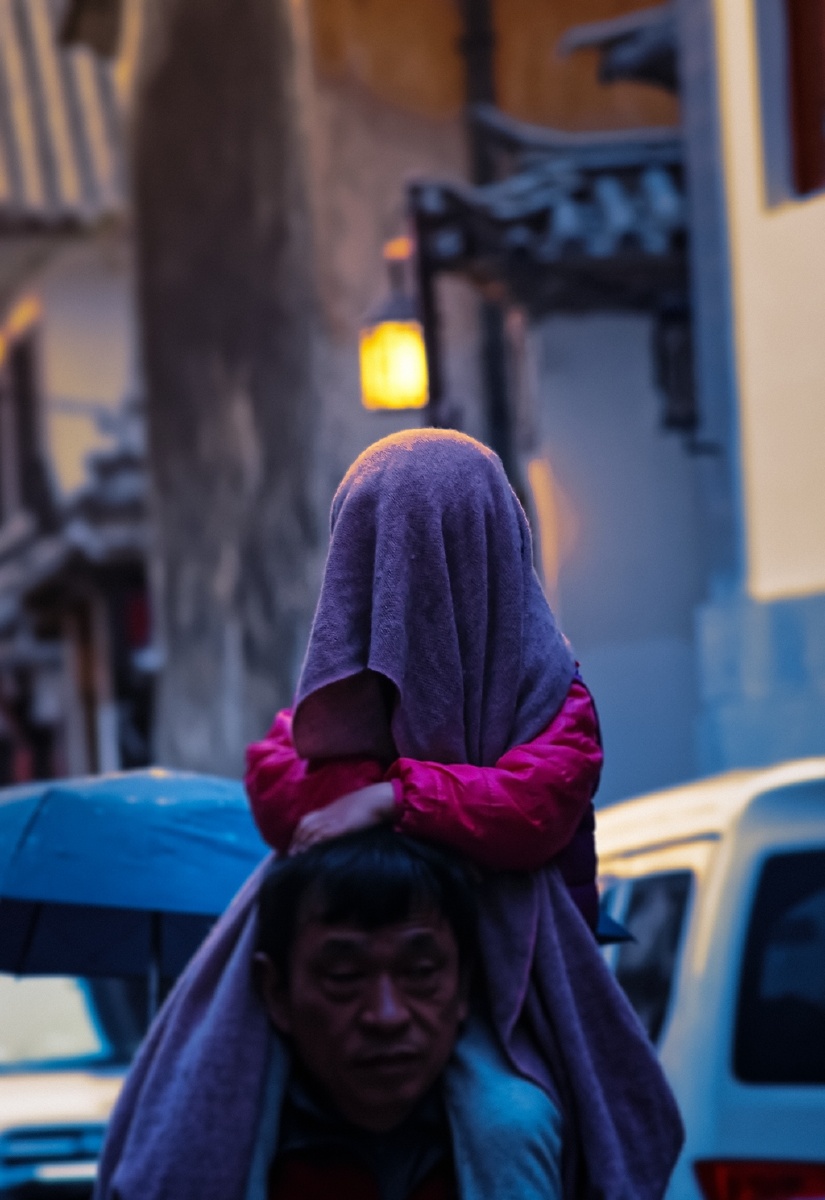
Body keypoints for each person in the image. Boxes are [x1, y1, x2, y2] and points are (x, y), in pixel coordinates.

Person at [255, 827, 561, 1200]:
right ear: (277, 993)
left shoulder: (536, 1138)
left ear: (464, 986)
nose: (387, 1016)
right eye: (344, 976)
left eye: (420, 972)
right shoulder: (234, 1150)